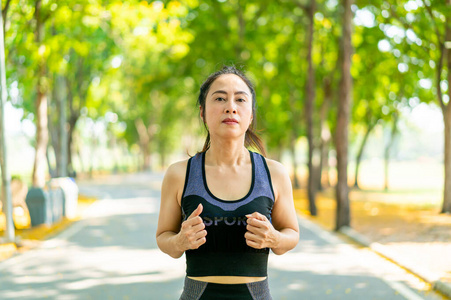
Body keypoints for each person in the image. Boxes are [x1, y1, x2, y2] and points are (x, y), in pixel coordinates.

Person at [156, 65, 299, 300]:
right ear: (202, 112)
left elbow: (291, 234)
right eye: (220, 98)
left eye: (240, 100)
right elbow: (164, 237)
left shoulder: (274, 173)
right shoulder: (179, 174)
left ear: (250, 115)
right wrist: (180, 241)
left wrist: (274, 238)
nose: (230, 107)